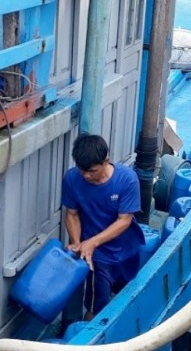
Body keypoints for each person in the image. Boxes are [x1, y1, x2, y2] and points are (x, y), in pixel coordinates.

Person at [61, 134, 144, 319]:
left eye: (92, 171)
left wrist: (92, 242)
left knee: (128, 296)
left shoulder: (127, 180)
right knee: (96, 305)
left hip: (127, 250)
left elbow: (124, 220)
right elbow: (72, 214)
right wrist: (78, 243)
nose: (86, 176)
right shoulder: (72, 179)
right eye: (82, 170)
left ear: (106, 161)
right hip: (97, 257)